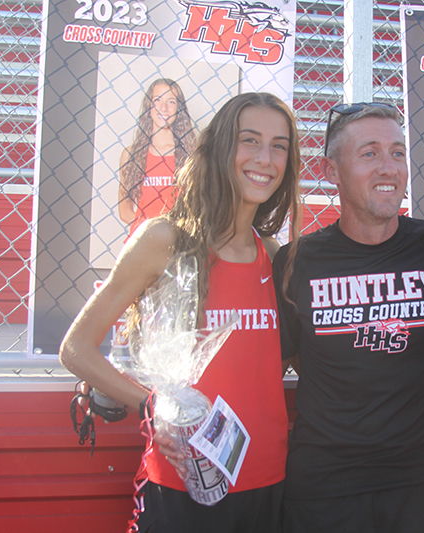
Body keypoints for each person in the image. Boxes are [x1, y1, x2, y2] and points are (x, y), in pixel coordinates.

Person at [60, 92, 301, 533]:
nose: (265, 158)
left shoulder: (273, 256)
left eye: (279, 145)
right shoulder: (165, 241)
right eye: (250, 140)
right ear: (221, 147)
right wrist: (154, 408)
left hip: (269, 483)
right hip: (182, 482)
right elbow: (76, 348)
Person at [273, 102, 424, 533]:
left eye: (398, 153)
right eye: (369, 153)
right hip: (323, 482)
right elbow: (283, 363)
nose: (389, 168)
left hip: (419, 477)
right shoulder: (297, 262)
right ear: (330, 170)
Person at [118, 78, 195, 237]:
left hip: (178, 242)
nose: (164, 108)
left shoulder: (191, 156)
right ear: (149, 106)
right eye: (157, 100)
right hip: (142, 241)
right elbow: (124, 211)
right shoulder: (131, 154)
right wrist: (151, 229)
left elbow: (199, 208)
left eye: (171, 102)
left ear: (179, 108)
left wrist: (173, 229)